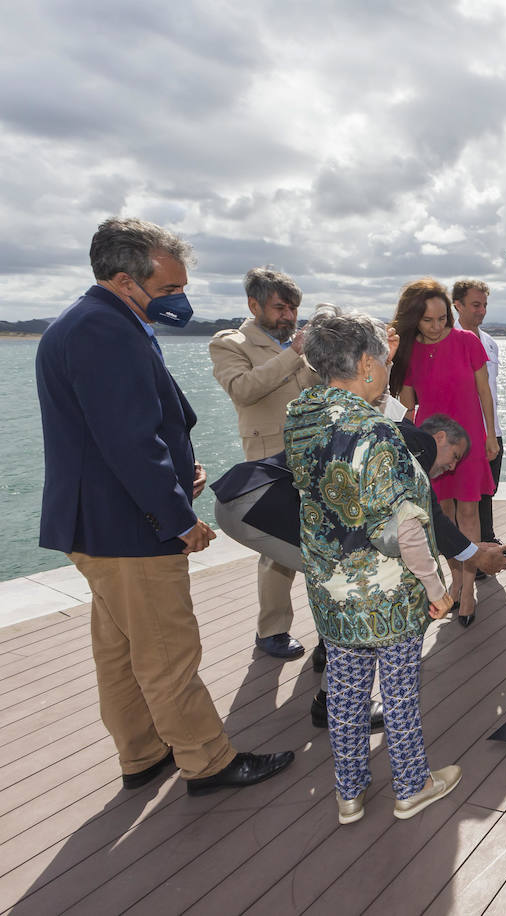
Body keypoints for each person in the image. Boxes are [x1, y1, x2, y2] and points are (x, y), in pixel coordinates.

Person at [36, 217, 294, 796]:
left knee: (122, 650)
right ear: (126, 280)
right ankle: (206, 760)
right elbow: (128, 441)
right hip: (128, 528)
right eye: (171, 289)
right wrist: (177, 518)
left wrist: (182, 469)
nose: (181, 299)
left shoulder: (91, 322)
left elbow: (123, 428)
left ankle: (143, 753)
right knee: (168, 650)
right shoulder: (104, 330)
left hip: (98, 526)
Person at [285, 306, 463, 824]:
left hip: (330, 588)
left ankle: (349, 793)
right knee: (400, 692)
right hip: (386, 590)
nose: (390, 371)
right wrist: (435, 586)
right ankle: (411, 786)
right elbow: (402, 527)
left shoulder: (302, 415)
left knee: (345, 693)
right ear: (366, 364)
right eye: (385, 362)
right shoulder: (376, 433)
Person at [209, 266, 318, 659]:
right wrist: (294, 353)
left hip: (313, 454)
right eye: (281, 308)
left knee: (323, 542)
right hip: (268, 458)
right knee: (276, 551)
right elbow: (244, 391)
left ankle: (330, 628)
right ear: (253, 304)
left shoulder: (298, 344)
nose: (289, 316)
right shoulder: (230, 342)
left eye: (294, 309)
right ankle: (271, 630)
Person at [388, 278, 496, 626]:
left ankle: (467, 591)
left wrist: (491, 436)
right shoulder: (408, 352)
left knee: (468, 512)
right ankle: (455, 576)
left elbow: (485, 394)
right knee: (442, 517)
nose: (436, 327)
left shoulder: (467, 342)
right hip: (430, 448)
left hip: (469, 441)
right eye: (427, 320)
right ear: (414, 319)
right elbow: (405, 408)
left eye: (441, 318)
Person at [451, 279, 505, 549]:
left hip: (492, 430)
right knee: (466, 498)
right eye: (475, 305)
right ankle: (472, 551)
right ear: (457, 305)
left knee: (487, 491)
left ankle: (487, 540)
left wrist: (493, 433)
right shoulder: (448, 342)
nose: (481, 311)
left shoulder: (491, 343)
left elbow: (491, 391)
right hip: (466, 432)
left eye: (484, 305)